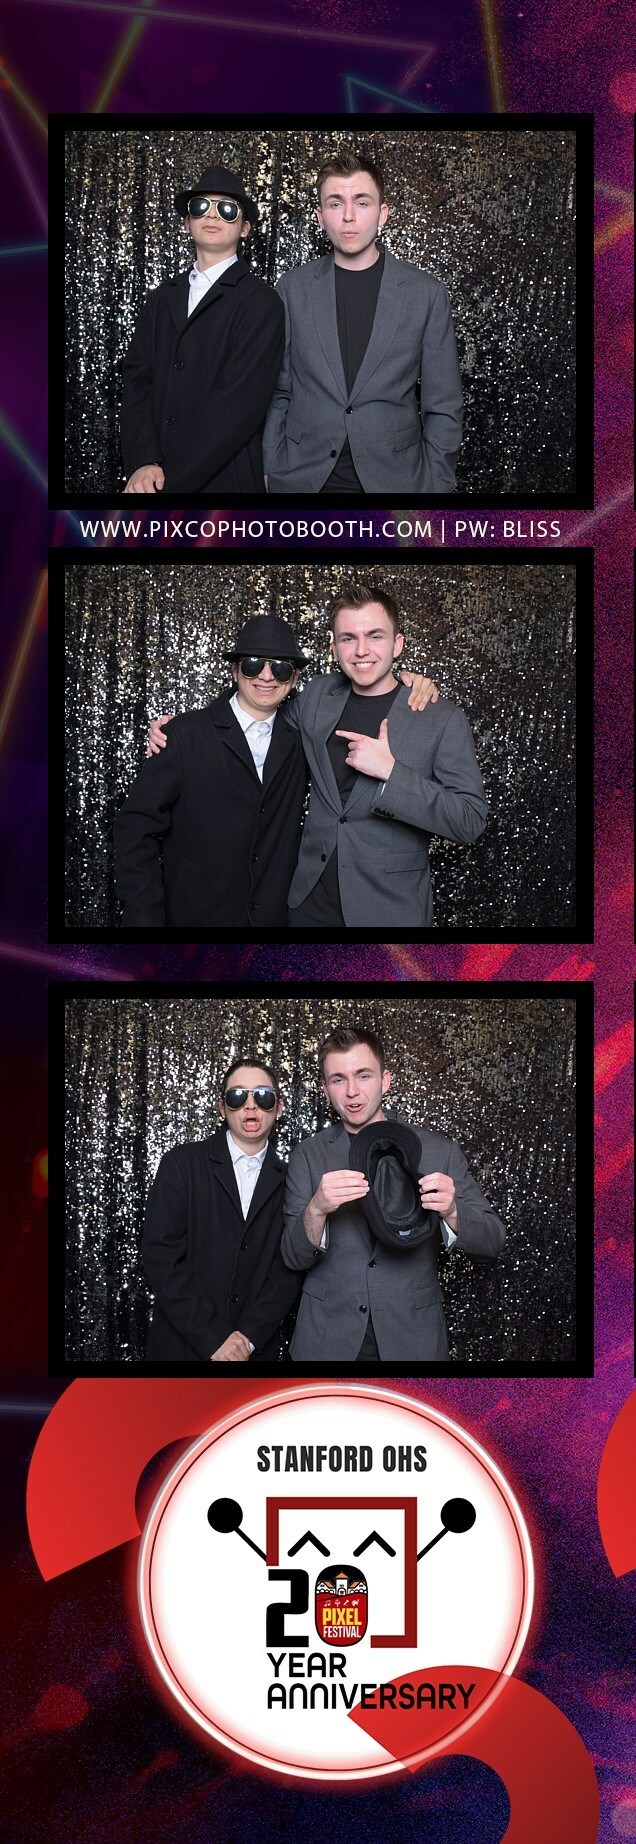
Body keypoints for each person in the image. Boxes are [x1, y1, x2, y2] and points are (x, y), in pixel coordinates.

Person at [146, 578, 484, 930]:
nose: (362, 650)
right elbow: (258, 713)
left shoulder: (440, 718)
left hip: (389, 910)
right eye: (348, 638)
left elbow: (470, 821)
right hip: (305, 906)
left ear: (397, 644)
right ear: (334, 648)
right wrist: (185, 729)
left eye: (375, 636)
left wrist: (391, 773)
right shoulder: (318, 696)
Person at [281, 1026, 506, 1363]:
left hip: (412, 1339)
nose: (352, 1091)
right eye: (339, 1079)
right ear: (325, 1090)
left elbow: (493, 1242)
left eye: (364, 1075)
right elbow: (293, 1258)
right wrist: (316, 1209)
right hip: (327, 1339)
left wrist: (453, 1212)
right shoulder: (308, 1155)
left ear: (385, 1080)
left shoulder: (438, 1151)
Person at [263, 147, 463, 494]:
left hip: (397, 483)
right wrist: (269, 466)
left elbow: (443, 404)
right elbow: (279, 390)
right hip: (301, 479)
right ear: (320, 216)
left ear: (383, 213)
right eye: (335, 203)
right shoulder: (292, 288)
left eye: (362, 202)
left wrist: (436, 484)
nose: (348, 216)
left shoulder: (425, 294)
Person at [114, 615, 309, 928]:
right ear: (234, 670)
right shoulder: (183, 734)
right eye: (253, 664)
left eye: (281, 668)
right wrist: (143, 914)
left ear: (294, 677)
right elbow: (135, 826)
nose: (266, 676)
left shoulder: (302, 742)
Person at [120, 163, 285, 494]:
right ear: (187, 221)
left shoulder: (261, 302)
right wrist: (144, 462)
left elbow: (239, 407)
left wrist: (170, 482)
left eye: (227, 209)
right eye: (200, 206)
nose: (212, 215)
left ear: (245, 228)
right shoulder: (160, 299)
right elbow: (137, 383)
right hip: (152, 478)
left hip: (225, 482)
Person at [144, 1059, 301, 1361]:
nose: (251, 1106)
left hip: (255, 1353)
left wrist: (247, 1340)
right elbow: (161, 1257)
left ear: (279, 1108)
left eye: (263, 1096)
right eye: (237, 1096)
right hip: (182, 1349)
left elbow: (287, 1271)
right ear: (221, 1107)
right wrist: (213, 1339)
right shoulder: (181, 1164)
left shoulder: (292, 1179)